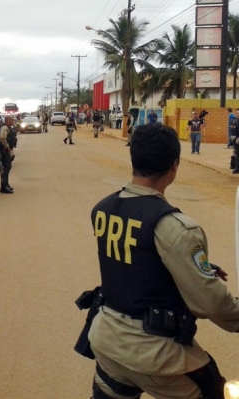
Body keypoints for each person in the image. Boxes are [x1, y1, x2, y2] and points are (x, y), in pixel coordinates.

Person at [79, 123, 238, 398]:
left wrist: (182, 266)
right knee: (214, 389)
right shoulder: (176, 227)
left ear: (134, 160)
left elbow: (134, 261)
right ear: (174, 166)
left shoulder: (103, 209)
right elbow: (211, 303)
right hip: (154, 354)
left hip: (106, 340)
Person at [0, 115, 16, 194]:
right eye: (12, 120)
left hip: (6, 150)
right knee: (6, 168)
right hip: (5, 151)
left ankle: (5, 185)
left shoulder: (7, 127)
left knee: (7, 167)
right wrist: (7, 147)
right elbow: (2, 138)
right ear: (8, 120)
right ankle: (4, 187)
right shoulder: (4, 128)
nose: (13, 121)